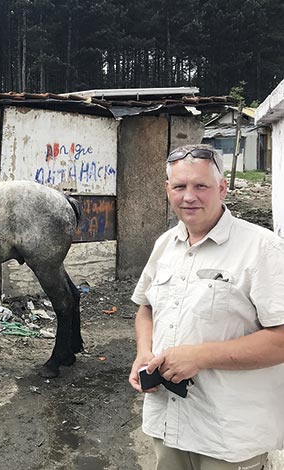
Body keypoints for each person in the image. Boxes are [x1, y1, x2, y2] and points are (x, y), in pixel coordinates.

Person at [128, 144, 284, 470]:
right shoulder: (165, 244)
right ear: (167, 189)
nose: (189, 197)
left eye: (201, 186)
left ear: (222, 188)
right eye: (180, 186)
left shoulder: (262, 248)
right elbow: (146, 307)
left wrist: (199, 357)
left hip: (227, 433)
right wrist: (144, 353)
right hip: (168, 421)